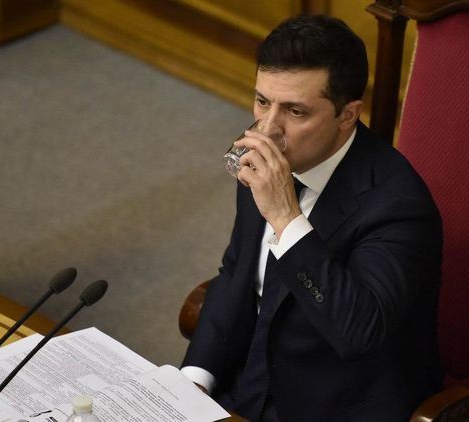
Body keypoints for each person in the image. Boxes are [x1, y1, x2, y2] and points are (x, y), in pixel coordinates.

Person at [181, 14, 442, 422]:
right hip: (248, 388)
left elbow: (358, 331)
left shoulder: (398, 205)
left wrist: (287, 217)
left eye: (295, 111)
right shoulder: (266, 155)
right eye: (262, 101)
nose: (267, 130)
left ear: (347, 115)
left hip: (335, 406)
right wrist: (193, 381)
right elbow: (236, 274)